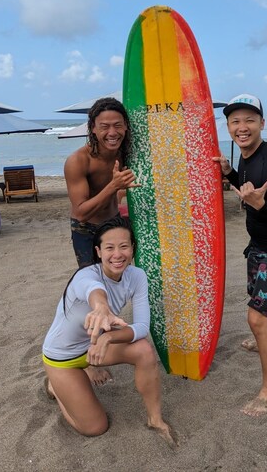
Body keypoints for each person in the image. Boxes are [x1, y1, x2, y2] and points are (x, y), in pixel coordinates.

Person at [42, 217, 177, 446]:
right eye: (109, 248)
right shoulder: (85, 276)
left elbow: (142, 327)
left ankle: (155, 419)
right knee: (95, 428)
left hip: (93, 347)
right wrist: (101, 308)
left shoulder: (137, 276)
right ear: (98, 251)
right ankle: (55, 385)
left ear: (133, 248)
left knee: (143, 350)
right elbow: (95, 293)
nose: (118, 254)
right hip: (61, 356)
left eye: (124, 246)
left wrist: (108, 338)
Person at [213, 94, 267, 417]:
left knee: (256, 317)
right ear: (229, 127)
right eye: (235, 121)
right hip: (259, 246)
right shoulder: (244, 156)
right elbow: (247, 188)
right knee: (264, 307)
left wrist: (262, 206)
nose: (242, 127)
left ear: (262, 123)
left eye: (250, 119)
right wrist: (229, 174)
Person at [64, 97, 139, 269]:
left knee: (119, 277)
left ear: (126, 126)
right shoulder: (78, 161)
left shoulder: (127, 154)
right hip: (86, 229)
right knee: (93, 280)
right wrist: (114, 186)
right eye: (104, 127)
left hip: (114, 222)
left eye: (118, 125)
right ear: (93, 129)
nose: (112, 133)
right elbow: (81, 213)